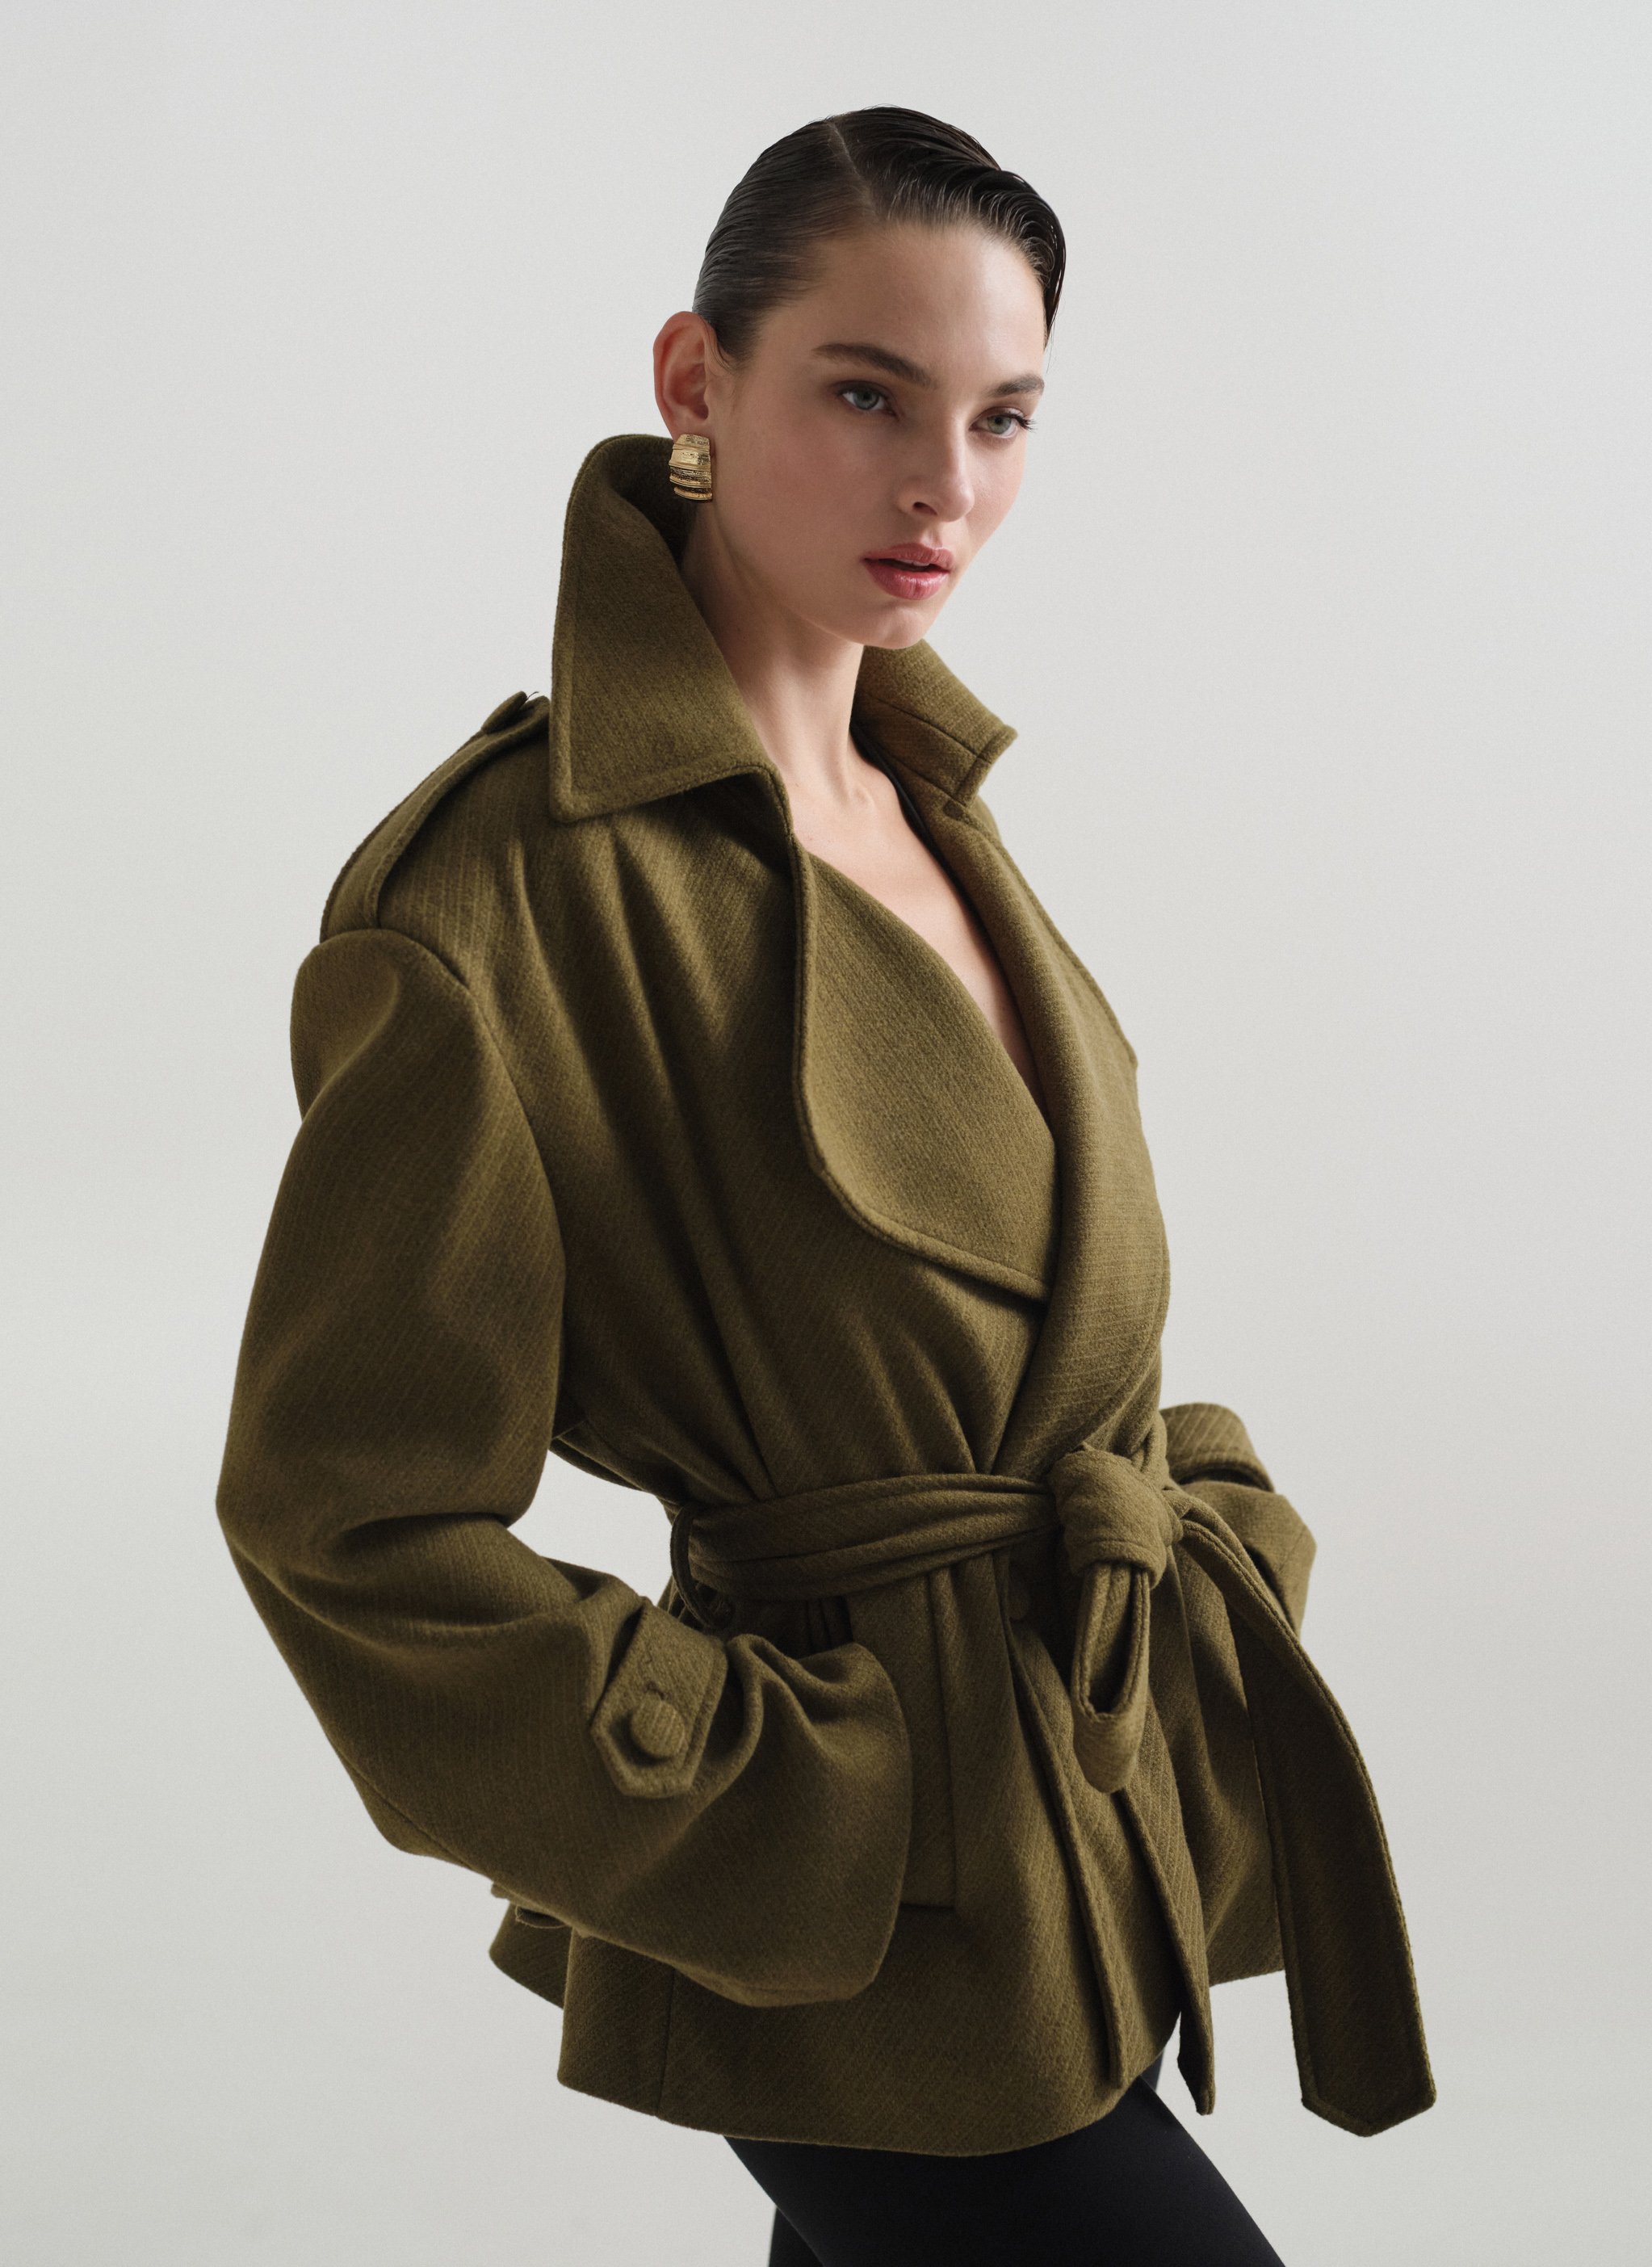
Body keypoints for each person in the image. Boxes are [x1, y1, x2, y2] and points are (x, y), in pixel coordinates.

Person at [216, 107, 1433, 2265]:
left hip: (1089, 1838)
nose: (942, 482)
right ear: (698, 380)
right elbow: (346, 1524)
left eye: (1002, 416)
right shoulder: (498, 902)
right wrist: (756, 1796)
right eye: (868, 395)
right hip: (863, 1913)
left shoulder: (934, 810)